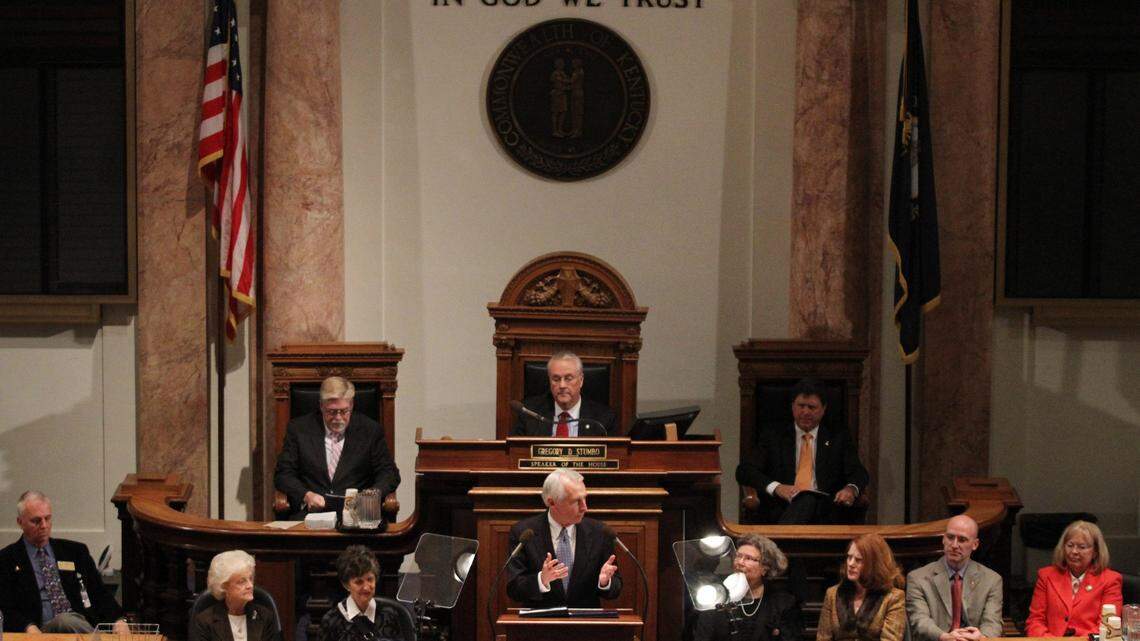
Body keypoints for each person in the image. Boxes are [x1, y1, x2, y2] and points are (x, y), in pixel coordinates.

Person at [735, 378, 869, 524]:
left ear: (823, 409)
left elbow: (859, 472)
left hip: (826, 511)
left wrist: (850, 489)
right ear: (792, 406)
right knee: (805, 500)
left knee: (808, 499)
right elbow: (745, 471)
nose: (805, 412)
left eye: (812, 407)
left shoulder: (838, 437)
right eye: (801, 406)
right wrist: (777, 487)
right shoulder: (774, 435)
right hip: (783, 507)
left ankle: (782, 538)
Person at [0, 491, 129, 634]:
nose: (44, 525)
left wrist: (119, 620)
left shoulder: (75, 552)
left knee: (68, 620)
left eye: (47, 518)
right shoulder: (7, 559)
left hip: (79, 625)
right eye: (36, 521)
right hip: (39, 632)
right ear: (20, 522)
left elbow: (99, 594)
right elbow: (5, 607)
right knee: (64, 620)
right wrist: (27, 626)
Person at [274, 376, 400, 519]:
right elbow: (283, 474)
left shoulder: (370, 430)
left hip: (357, 516)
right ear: (321, 406)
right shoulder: (298, 429)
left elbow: (389, 474)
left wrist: (368, 496)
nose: (338, 418)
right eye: (332, 412)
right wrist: (306, 495)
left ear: (351, 405)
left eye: (344, 411)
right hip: (311, 515)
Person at [506, 468, 622, 608]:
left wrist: (605, 582)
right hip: (540, 619)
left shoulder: (600, 532)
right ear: (552, 502)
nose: (584, 507)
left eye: (584, 498)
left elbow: (616, 587)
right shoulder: (524, 533)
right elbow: (514, 589)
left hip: (586, 619)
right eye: (576, 501)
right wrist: (541, 580)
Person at [906, 515, 1003, 641]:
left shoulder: (992, 580)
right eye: (950, 537)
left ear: (975, 544)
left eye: (962, 540)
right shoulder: (918, 578)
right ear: (943, 539)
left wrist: (982, 637)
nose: (954, 545)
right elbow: (920, 621)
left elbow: (992, 622)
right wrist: (945, 637)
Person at [693, 534, 802, 641]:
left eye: (749, 558)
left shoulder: (783, 603)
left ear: (765, 568)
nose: (740, 562)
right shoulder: (715, 597)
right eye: (738, 556)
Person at [1026, 520, 1123, 637]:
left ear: (1095, 552)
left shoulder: (1110, 580)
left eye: (1082, 547)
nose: (1074, 551)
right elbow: (1035, 622)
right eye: (1070, 545)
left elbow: (1107, 628)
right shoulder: (1046, 576)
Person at [817, 533, 906, 641]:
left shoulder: (893, 597)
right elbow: (823, 637)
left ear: (874, 564)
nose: (851, 564)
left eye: (858, 560)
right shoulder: (833, 594)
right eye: (849, 557)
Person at [511, 352, 618, 437]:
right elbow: (517, 453)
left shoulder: (603, 418)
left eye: (568, 378)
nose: (562, 385)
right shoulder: (530, 414)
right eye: (556, 379)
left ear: (581, 380)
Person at [318, 545, 413, 641]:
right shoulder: (331, 621)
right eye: (359, 582)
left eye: (370, 579)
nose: (366, 587)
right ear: (346, 585)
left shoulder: (391, 615)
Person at [193, 550, 280, 641]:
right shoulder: (205, 622)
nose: (250, 585)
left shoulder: (265, 617)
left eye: (251, 579)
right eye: (242, 581)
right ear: (224, 586)